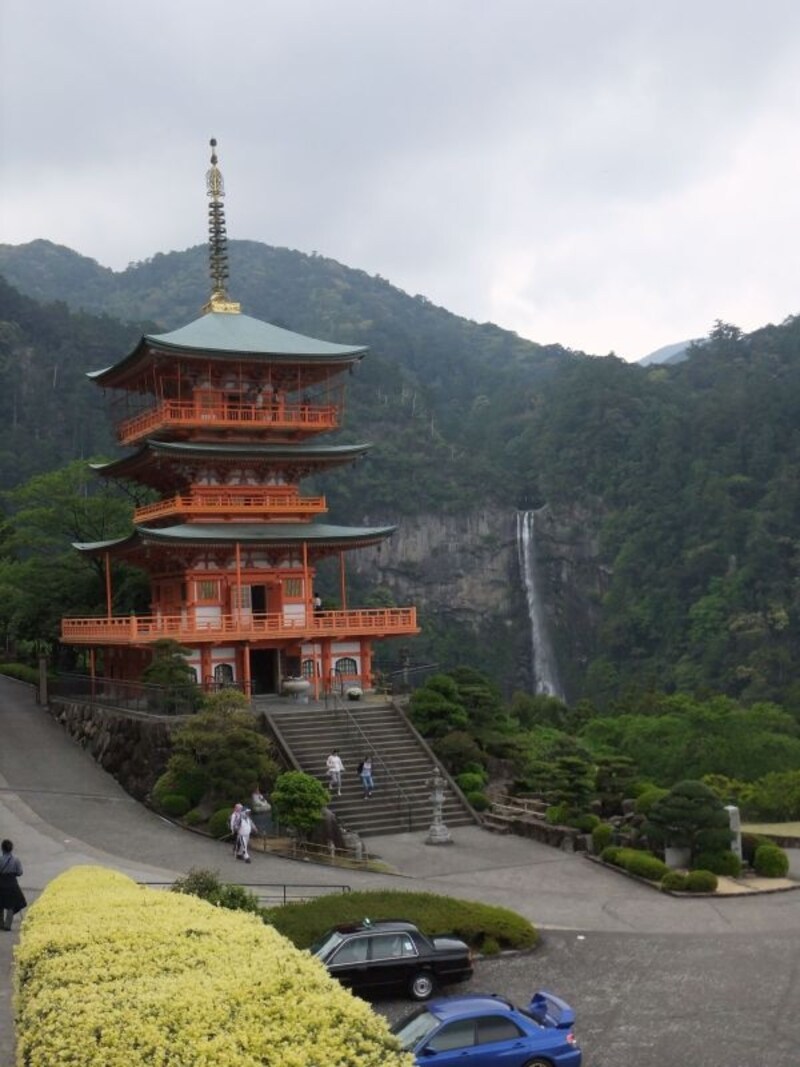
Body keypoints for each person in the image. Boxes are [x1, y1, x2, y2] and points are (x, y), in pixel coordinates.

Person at [0, 839, 26, 932]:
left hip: (1, 883)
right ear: (11, 848)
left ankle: (0, 923)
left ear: (2, 848)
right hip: (11, 884)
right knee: (11, 905)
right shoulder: (15, 860)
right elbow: (20, 872)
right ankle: (8, 925)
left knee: (0, 904)